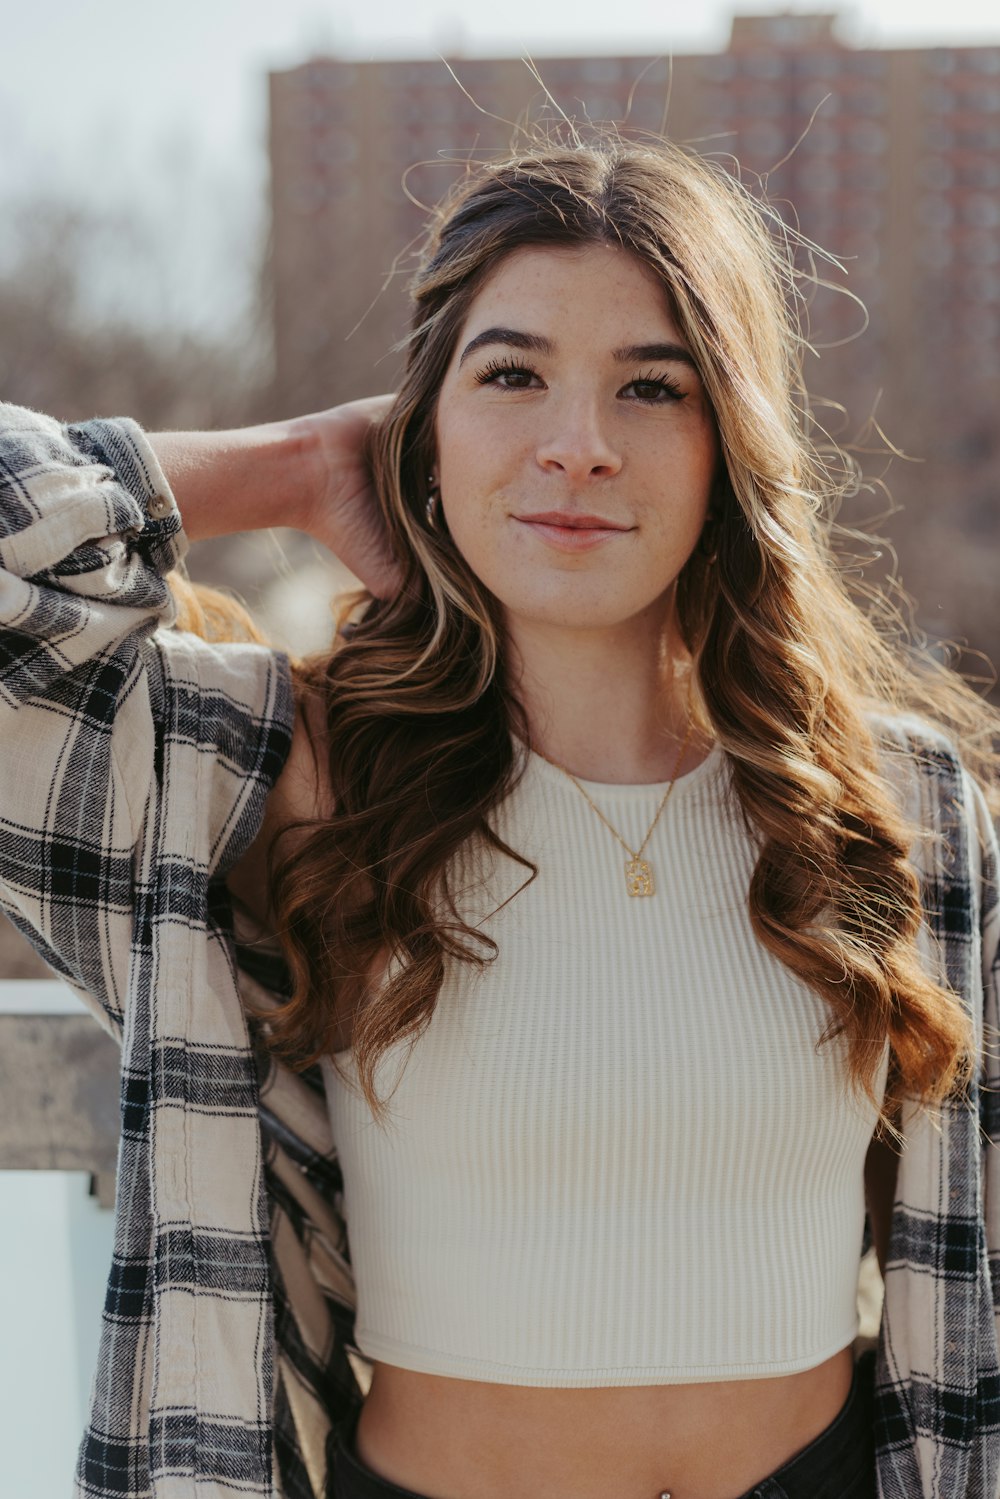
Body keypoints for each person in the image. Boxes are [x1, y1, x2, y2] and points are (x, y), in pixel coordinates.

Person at [0, 136, 998, 1499]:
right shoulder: (284, 767)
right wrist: (281, 470)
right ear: (422, 425)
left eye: (656, 387)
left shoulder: (900, 802)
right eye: (511, 374)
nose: (577, 447)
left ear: (734, 442)